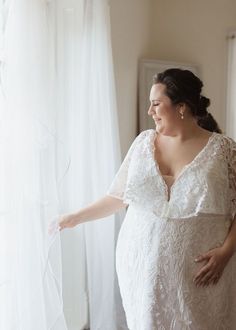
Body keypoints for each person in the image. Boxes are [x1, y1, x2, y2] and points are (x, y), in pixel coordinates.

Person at [58, 68, 236, 329]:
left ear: (182, 107)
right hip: (140, 270)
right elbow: (118, 197)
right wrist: (75, 217)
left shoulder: (224, 150)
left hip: (201, 275)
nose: (150, 112)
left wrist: (226, 251)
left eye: (156, 104)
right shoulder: (143, 144)